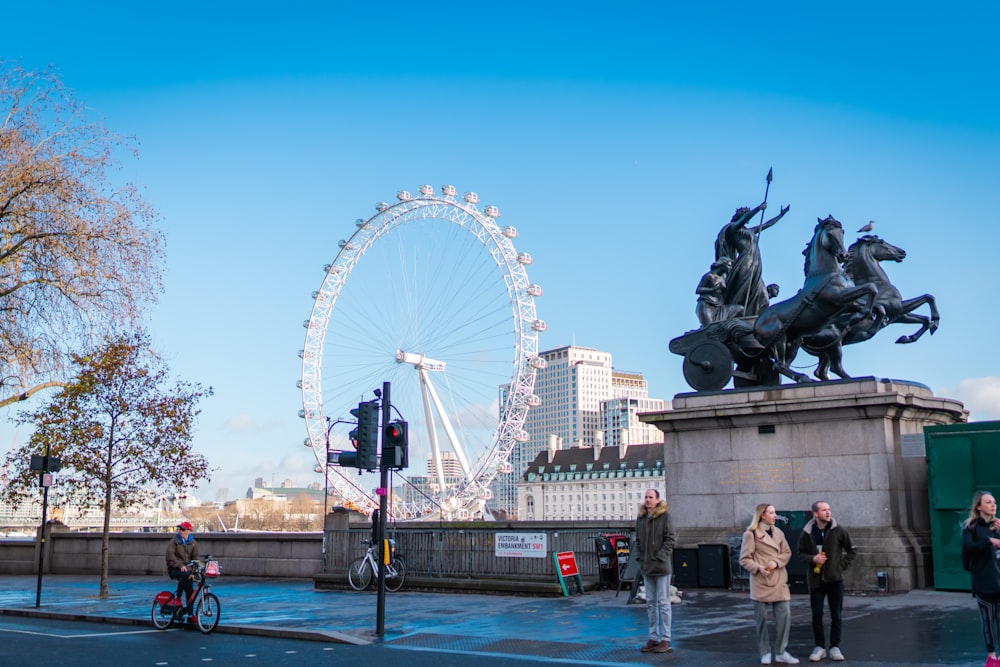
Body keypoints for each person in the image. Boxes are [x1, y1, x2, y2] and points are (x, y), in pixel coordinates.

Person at [740, 504, 799, 664]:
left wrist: (775, 562)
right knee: (762, 620)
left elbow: (787, 552)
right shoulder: (751, 534)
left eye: (775, 513)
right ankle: (764, 651)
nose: (775, 515)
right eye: (771, 513)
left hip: (779, 579)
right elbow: (744, 559)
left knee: (784, 618)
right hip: (761, 581)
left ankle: (781, 651)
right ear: (762, 515)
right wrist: (759, 568)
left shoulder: (779, 532)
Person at [798, 501, 856, 662]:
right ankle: (819, 647)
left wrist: (840, 566)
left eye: (829, 509)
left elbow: (852, 550)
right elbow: (800, 553)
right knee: (817, 614)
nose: (828, 512)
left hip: (835, 579)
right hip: (816, 580)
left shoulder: (839, 531)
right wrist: (813, 558)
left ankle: (835, 647)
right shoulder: (807, 532)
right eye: (824, 510)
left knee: (836, 614)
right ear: (815, 514)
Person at [714, 201, 790, 318]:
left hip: (755, 263)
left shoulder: (749, 231)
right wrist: (758, 209)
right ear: (740, 215)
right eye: (745, 214)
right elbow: (743, 220)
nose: (747, 217)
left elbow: (766, 225)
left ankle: (755, 314)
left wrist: (780, 216)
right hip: (745, 262)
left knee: (760, 292)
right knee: (741, 290)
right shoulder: (734, 228)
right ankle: (732, 315)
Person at [635, 488, 676, 654]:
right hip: (646, 566)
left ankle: (666, 638)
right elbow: (637, 539)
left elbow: (671, 539)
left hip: (661, 566)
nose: (648, 500)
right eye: (646, 497)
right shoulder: (641, 518)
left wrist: (660, 556)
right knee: (650, 603)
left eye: (651, 497)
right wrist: (640, 557)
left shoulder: (665, 517)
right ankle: (653, 636)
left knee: (664, 602)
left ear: (658, 500)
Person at [961, 491, 1000, 666]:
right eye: (988, 502)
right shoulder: (971, 527)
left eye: (994, 502)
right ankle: (992, 657)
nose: (993, 505)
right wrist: (989, 541)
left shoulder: (997, 525)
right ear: (978, 506)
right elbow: (967, 548)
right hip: (984, 582)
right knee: (988, 620)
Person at [695, 257, 744, 327]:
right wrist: (713, 289)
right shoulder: (709, 276)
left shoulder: (723, 277)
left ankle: (727, 327)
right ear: (722, 265)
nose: (730, 268)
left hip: (719, 306)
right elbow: (698, 290)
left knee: (739, 308)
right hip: (707, 305)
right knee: (710, 328)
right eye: (729, 265)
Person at [165, 520, 200, 613]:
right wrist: (180, 565)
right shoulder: (174, 542)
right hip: (174, 568)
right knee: (184, 575)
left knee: (190, 591)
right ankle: (178, 598)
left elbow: (195, 559)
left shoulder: (193, 543)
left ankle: (190, 614)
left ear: (188, 531)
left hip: (188, 570)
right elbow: (170, 556)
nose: (180, 531)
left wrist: (193, 572)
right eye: (180, 529)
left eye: (183, 529)